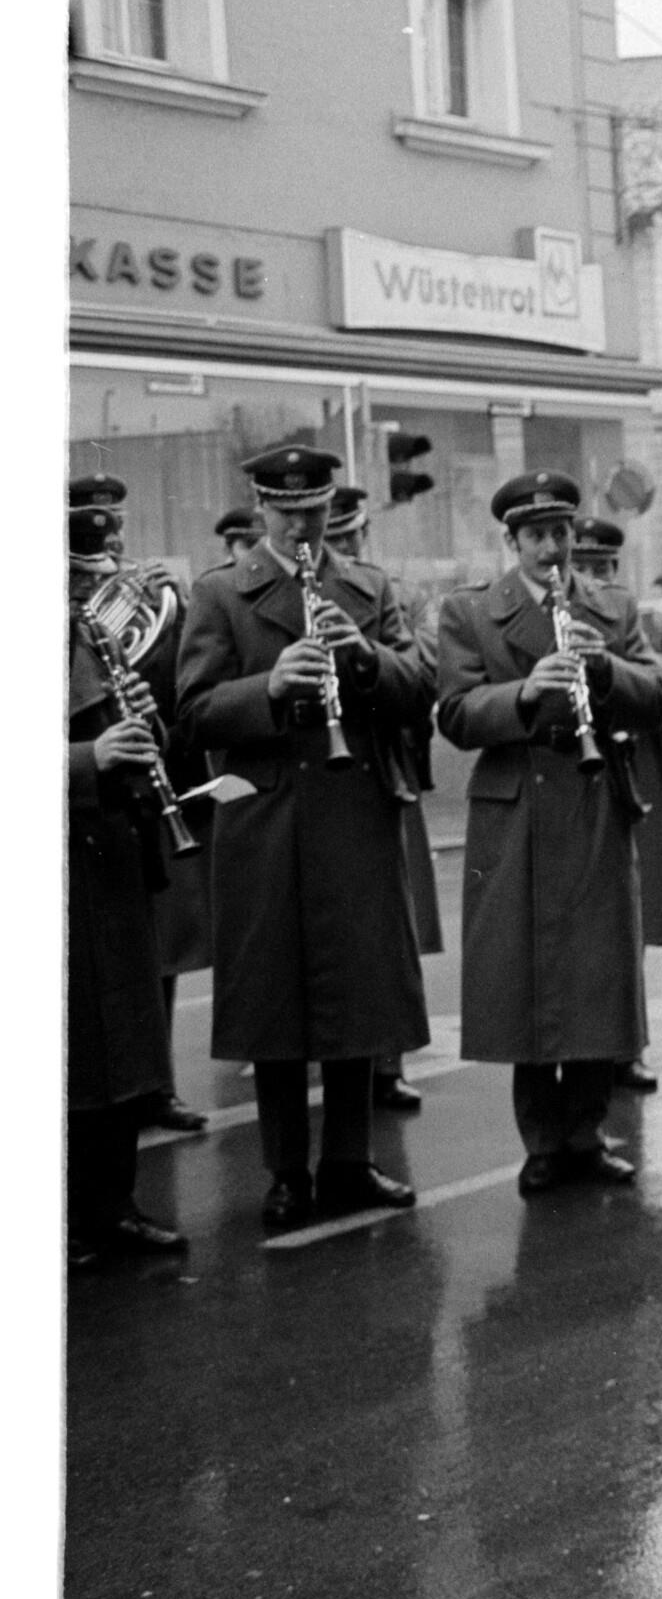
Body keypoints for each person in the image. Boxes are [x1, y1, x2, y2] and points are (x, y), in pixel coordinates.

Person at [174, 445, 433, 1230]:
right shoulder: (220, 592)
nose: (301, 528)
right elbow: (192, 714)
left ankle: (350, 1162)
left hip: (352, 813)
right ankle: (286, 1172)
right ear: (261, 508)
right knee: (276, 1002)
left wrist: (367, 662)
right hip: (268, 818)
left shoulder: (368, 588)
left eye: (314, 512)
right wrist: (269, 687)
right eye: (286, 514)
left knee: (357, 995)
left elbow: (420, 687)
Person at [435, 473, 662, 1197]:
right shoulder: (472, 611)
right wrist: (523, 693)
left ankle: (588, 1132)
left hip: (596, 799)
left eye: (561, 533)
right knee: (529, 977)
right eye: (536, 536)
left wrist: (604, 670)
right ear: (512, 541)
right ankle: (542, 1141)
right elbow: (455, 712)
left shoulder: (612, 607)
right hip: (518, 808)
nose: (552, 548)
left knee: (597, 975)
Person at [66, 476, 188, 1261]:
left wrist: (147, 730)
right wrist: (89, 757)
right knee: (69, 1056)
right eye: (81, 571)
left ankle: (113, 1208)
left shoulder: (94, 637)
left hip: (113, 856)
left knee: (121, 1049)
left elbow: (137, 738)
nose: (94, 585)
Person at [327, 484, 434, 1116]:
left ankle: (389, 1062)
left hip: (385, 764)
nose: (344, 545)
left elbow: (423, 668)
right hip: (323, 770)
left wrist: (365, 657)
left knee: (389, 929)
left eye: (351, 535)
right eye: (334, 536)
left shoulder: (396, 593)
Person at [572, 514, 662, 1092]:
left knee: (632, 917)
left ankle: (628, 1045)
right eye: (584, 566)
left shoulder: (647, 620)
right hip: (588, 770)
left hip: (642, 768)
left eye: (604, 567)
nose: (596, 577)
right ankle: (592, 1044)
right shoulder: (560, 615)